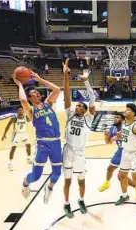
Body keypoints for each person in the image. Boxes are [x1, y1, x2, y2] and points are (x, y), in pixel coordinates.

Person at [13, 70, 62, 204]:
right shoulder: (31, 111)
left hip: (56, 143)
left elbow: (57, 89)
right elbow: (23, 100)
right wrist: (19, 84)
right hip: (43, 144)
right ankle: (25, 182)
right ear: (30, 98)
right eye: (34, 94)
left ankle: (50, 188)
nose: (37, 94)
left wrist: (40, 79)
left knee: (57, 172)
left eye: (37, 92)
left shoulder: (48, 103)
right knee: (35, 176)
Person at [61, 60, 95, 219]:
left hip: (80, 152)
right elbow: (66, 94)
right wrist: (65, 75)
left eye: (81, 106)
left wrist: (86, 81)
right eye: (77, 105)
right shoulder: (69, 115)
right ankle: (67, 204)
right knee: (67, 180)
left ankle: (81, 200)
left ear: (86, 110)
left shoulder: (88, 119)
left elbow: (92, 100)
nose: (77, 107)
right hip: (67, 150)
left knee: (81, 180)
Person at [114, 103, 136, 214]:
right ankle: (124, 196)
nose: (125, 111)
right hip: (125, 153)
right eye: (125, 109)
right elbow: (125, 135)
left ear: (133, 113)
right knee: (122, 176)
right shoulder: (124, 123)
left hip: (135, 155)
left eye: (128, 110)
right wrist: (117, 136)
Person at [98, 113, 136, 201]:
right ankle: (107, 183)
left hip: (130, 151)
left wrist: (118, 137)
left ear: (122, 120)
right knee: (110, 169)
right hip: (120, 151)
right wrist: (106, 137)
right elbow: (108, 142)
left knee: (121, 176)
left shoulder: (127, 127)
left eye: (117, 117)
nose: (115, 119)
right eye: (114, 117)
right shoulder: (112, 128)